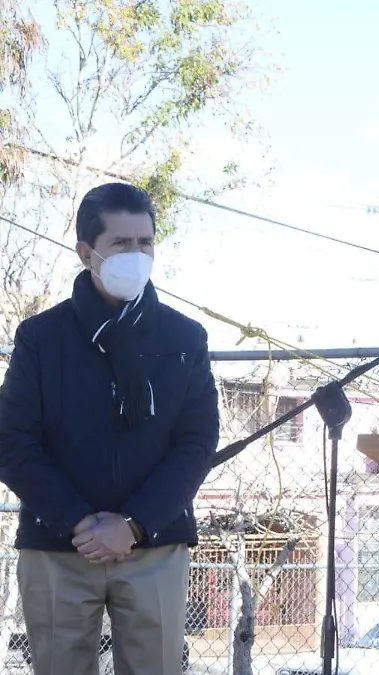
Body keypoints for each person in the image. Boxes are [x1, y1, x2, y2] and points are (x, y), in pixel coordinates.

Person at [0, 182, 219, 675]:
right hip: (59, 546)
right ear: (87, 252)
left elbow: (197, 441)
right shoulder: (40, 338)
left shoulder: (185, 337)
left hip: (155, 544)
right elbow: (13, 441)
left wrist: (135, 523)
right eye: (121, 243)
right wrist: (80, 523)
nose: (136, 254)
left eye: (145, 243)